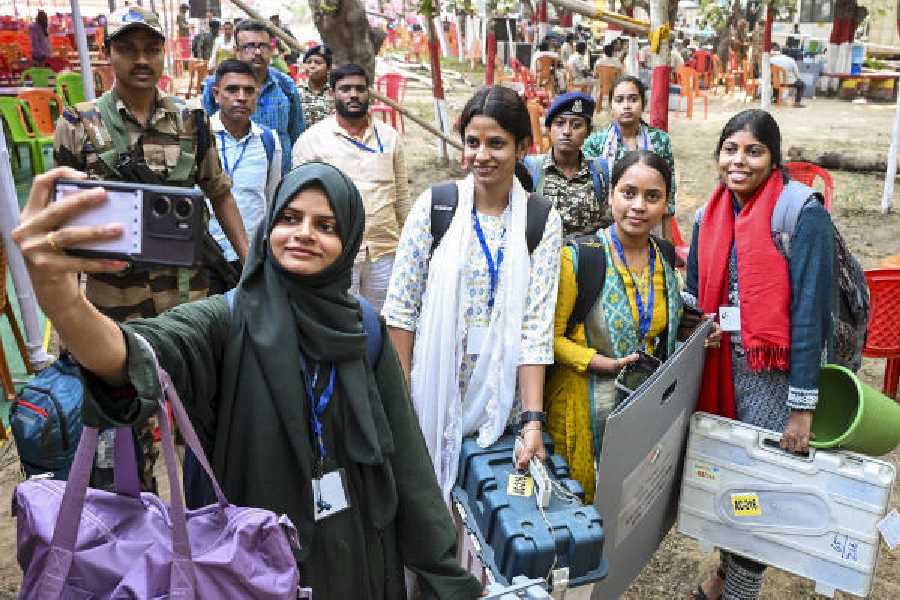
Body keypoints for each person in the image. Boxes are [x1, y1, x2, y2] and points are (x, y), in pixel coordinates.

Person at [12, 163, 483, 600]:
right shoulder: (227, 320)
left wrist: (442, 572)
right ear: (268, 228)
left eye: (326, 226)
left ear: (350, 241)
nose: (304, 234)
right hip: (249, 564)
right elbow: (139, 354)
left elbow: (407, 461)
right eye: (290, 218)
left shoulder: (363, 327)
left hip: (355, 554)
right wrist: (63, 303)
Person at [52, 6, 248, 492]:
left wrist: (250, 260)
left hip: (187, 300)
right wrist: (69, 303)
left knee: (202, 417)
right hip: (114, 306)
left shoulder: (190, 120)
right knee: (126, 435)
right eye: (127, 48)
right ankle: (140, 532)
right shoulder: (79, 124)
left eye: (150, 48)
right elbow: (63, 216)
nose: (141, 59)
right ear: (107, 55)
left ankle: (209, 523)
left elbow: (218, 190)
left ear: (164, 54)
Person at [382, 86, 563, 499]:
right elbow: (402, 309)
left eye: (496, 143)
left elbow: (535, 325)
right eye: (473, 142)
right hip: (432, 389)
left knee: (488, 502)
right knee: (427, 498)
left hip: (503, 399)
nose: (482, 155)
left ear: (522, 148)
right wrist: (404, 397)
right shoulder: (436, 207)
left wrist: (532, 419)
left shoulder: (541, 221)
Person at [686, 109, 833, 600]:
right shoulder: (707, 217)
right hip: (717, 375)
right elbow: (692, 300)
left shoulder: (802, 214)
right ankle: (727, 575)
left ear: (773, 159)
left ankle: (742, 590)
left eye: (754, 151)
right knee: (728, 479)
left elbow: (809, 314)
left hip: (772, 380)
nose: (740, 161)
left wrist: (801, 409)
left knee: (760, 488)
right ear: (718, 155)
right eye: (731, 149)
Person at [546, 150, 687, 504]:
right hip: (584, 408)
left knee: (631, 502)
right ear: (610, 196)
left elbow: (661, 325)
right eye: (629, 193)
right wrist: (600, 363)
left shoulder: (665, 259)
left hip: (640, 407)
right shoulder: (580, 258)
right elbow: (549, 338)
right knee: (586, 507)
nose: (638, 206)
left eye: (652, 196)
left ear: (666, 203)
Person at [293, 63, 408, 312]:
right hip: (335, 253)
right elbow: (300, 205)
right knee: (338, 321)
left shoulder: (390, 138)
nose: (353, 95)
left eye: (359, 88)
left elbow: (402, 198)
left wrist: (409, 245)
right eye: (345, 89)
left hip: (385, 252)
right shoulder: (311, 141)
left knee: (385, 323)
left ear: (370, 92)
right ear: (332, 93)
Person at [208, 60, 282, 294]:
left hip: (251, 256)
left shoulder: (268, 141)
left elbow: (271, 199)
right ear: (217, 95)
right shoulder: (199, 136)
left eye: (249, 91)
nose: (241, 97)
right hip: (206, 257)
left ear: (257, 95)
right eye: (232, 90)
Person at [203, 19, 304, 176]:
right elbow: (205, 131)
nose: (257, 52)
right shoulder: (215, 85)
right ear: (237, 51)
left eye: (263, 46)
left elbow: (297, 134)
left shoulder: (285, 85)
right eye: (250, 46)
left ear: (271, 49)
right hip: (229, 177)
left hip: (279, 178)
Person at [583, 76, 677, 237]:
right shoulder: (596, 143)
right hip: (606, 223)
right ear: (611, 106)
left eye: (633, 99)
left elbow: (669, 189)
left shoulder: (660, 140)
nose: (626, 106)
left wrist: (667, 240)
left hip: (648, 221)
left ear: (643, 103)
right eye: (619, 100)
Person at [524, 92, 611, 236]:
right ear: (548, 129)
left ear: (588, 132)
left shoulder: (600, 172)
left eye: (576, 125)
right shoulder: (532, 168)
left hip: (587, 255)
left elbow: (607, 221)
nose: (566, 132)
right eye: (559, 124)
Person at [299, 44, 335, 128]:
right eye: (308, 62)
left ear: (328, 68)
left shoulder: (336, 93)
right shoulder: (295, 92)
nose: (312, 66)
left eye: (318, 63)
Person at [769, 43, 805, 107]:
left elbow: (768, 72)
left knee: (775, 83)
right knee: (802, 85)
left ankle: (774, 99)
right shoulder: (791, 60)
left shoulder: (770, 60)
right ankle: (797, 102)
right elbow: (796, 73)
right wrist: (798, 78)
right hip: (789, 82)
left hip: (775, 82)